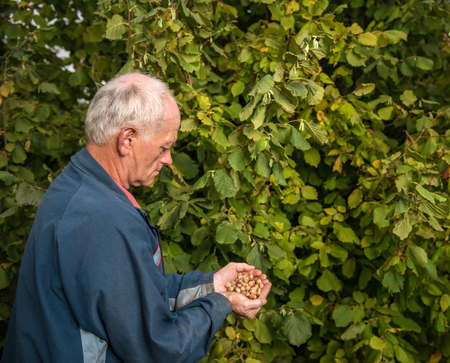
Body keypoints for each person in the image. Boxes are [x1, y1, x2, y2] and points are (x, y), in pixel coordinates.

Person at [2, 72, 271, 362]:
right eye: (164, 147)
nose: (168, 159)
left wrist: (211, 285)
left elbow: (128, 296)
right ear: (127, 139)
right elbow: (158, 348)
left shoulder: (81, 185)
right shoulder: (102, 219)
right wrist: (222, 303)